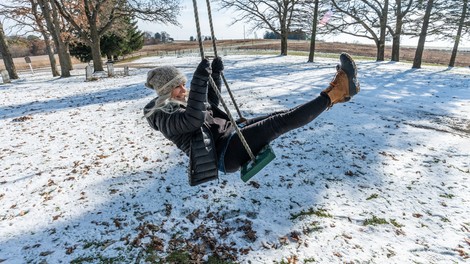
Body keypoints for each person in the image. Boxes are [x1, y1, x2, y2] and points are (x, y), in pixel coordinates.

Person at [143, 53, 360, 186]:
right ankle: (336, 91)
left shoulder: (183, 100)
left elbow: (210, 103)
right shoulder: (162, 117)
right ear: (164, 92)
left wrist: (215, 76)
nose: (184, 88)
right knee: (280, 123)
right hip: (224, 153)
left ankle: (338, 93)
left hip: (232, 133)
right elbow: (193, 120)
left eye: (184, 83)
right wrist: (199, 79)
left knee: (279, 117)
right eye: (177, 86)